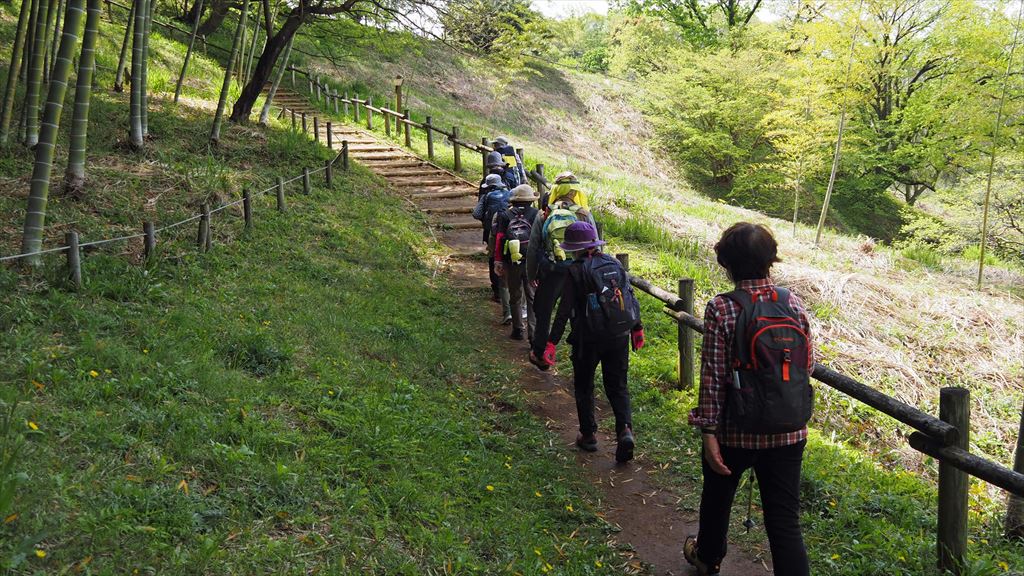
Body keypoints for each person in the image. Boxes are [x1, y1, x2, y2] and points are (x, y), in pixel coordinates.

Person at [685, 222, 814, 576]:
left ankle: (708, 557)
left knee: (718, 496)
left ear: (726, 263)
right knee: (784, 520)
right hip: (789, 431)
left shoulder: (721, 308)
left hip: (735, 429)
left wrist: (708, 431)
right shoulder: (793, 303)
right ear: (770, 260)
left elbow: (713, 376)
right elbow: (807, 365)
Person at [543, 221, 645, 464]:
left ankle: (588, 435)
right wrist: (637, 328)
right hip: (618, 335)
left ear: (575, 248)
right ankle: (625, 430)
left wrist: (551, 342)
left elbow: (564, 310)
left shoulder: (575, 270)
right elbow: (629, 297)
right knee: (618, 386)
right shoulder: (614, 263)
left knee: (584, 385)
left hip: (587, 339)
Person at [526, 172, 597, 370]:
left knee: (543, 311)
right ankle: (580, 356)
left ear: (555, 191)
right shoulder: (584, 214)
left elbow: (533, 247)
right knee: (578, 312)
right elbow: (595, 245)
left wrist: (531, 274)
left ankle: (540, 353)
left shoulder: (544, 214)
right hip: (579, 271)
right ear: (576, 191)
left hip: (552, 271)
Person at [493, 185, 540, 342]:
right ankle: (533, 333)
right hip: (531, 261)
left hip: (511, 261)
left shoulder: (505, 215)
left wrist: (498, 260)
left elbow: (499, 238)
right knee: (532, 297)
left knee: (515, 296)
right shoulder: (536, 214)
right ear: (530, 200)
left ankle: (518, 329)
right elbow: (540, 239)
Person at [473, 174, 513, 322]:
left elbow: (476, 213)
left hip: (492, 232)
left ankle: (497, 293)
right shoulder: (510, 193)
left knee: (493, 259)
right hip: (510, 234)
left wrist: (486, 219)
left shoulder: (487, 196)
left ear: (489, 186)